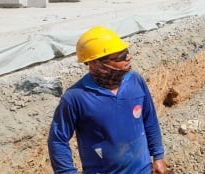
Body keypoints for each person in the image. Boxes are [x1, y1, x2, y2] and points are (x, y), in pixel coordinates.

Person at [48, 26, 168, 173]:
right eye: (120, 56)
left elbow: (150, 119)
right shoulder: (75, 97)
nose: (128, 57)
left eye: (126, 52)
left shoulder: (135, 81)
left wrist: (158, 155)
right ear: (98, 64)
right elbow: (58, 140)